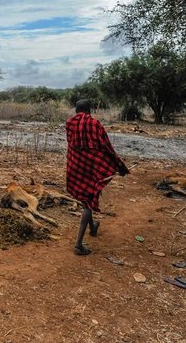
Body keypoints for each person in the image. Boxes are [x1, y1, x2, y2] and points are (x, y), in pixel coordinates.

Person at [66, 99, 128, 255]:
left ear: (76, 110)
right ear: (89, 110)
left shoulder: (69, 124)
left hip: (75, 165)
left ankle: (92, 226)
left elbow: (71, 143)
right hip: (91, 167)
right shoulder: (95, 124)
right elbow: (106, 146)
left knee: (87, 197)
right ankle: (78, 245)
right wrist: (118, 166)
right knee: (89, 200)